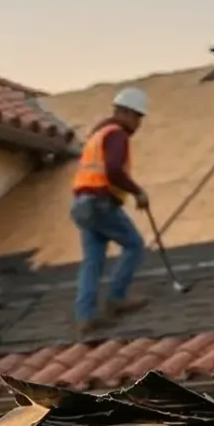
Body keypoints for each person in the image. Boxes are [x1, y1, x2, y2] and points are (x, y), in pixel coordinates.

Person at [71, 86, 153, 335]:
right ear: (127, 113)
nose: (138, 123)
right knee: (134, 245)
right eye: (138, 117)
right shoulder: (117, 134)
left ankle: (85, 316)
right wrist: (138, 191)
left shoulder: (98, 134)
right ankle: (117, 297)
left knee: (92, 262)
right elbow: (114, 170)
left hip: (81, 205)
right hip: (100, 203)